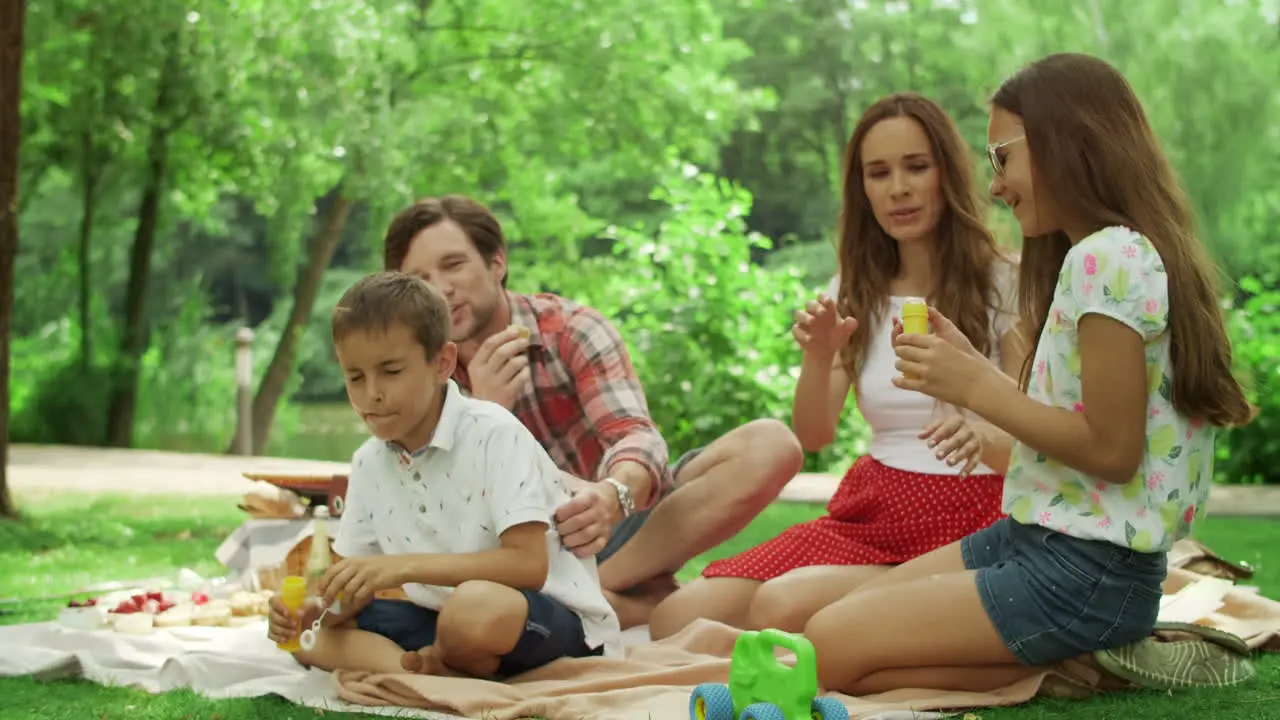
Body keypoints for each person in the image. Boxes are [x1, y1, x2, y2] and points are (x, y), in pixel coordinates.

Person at [803, 53, 1255, 696]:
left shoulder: (1108, 258)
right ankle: (1069, 666)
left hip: (1088, 571)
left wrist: (975, 387)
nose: (994, 186)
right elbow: (1071, 427)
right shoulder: (1104, 255)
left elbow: (1113, 450)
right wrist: (968, 366)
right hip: (1036, 536)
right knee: (827, 631)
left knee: (829, 648)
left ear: (1066, 143)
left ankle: (1085, 664)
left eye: (1002, 158)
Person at [648, 92, 1027, 640]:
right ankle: (820, 635)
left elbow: (1033, 439)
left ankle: (834, 631)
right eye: (879, 173)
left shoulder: (1007, 284)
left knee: (779, 607)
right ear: (862, 188)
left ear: (948, 172)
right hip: (875, 509)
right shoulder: (855, 292)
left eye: (916, 167)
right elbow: (814, 433)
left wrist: (977, 427)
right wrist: (819, 354)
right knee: (677, 618)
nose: (898, 187)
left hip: (971, 514)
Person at [378, 195, 805, 628]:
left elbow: (635, 437)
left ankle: (594, 593)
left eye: (454, 265)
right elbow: (426, 512)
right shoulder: (414, 373)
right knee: (469, 604)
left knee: (770, 444)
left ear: (497, 264)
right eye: (421, 278)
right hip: (513, 561)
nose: (442, 289)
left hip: (608, 528)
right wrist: (485, 417)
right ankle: (624, 604)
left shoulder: (571, 331)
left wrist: (610, 496)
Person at [266, 272, 622, 678]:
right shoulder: (368, 462)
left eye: (391, 371)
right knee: (308, 637)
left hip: (540, 618)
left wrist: (403, 567)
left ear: (443, 363)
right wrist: (314, 611)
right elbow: (352, 589)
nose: (372, 394)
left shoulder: (495, 434)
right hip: (440, 617)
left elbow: (528, 565)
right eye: (355, 377)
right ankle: (418, 670)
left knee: (472, 611)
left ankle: (445, 664)